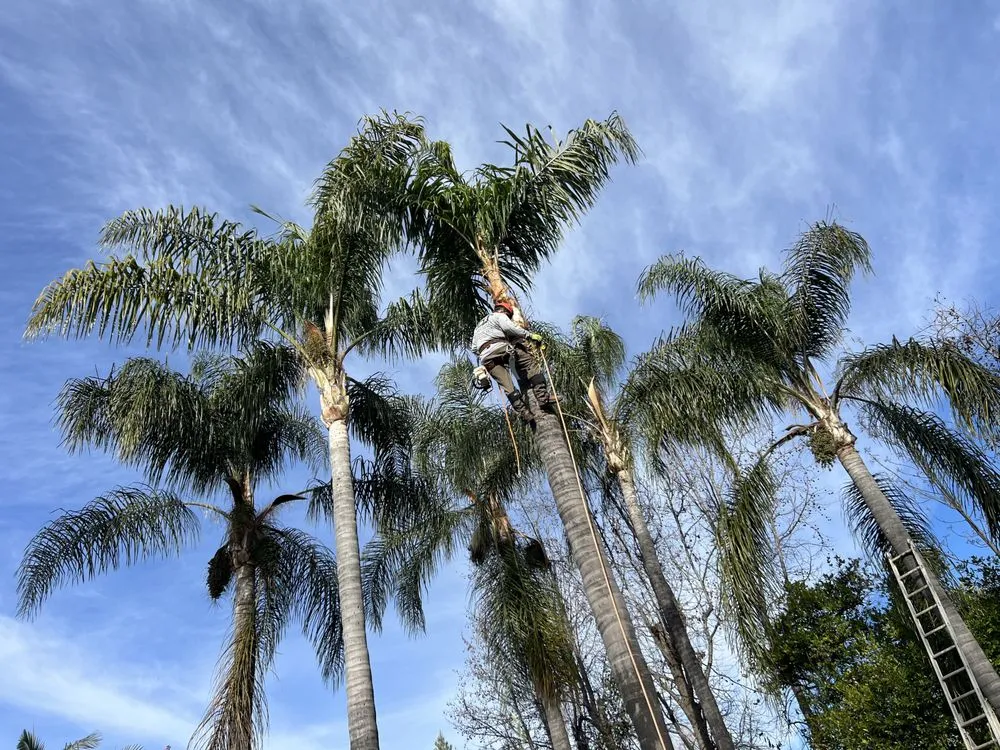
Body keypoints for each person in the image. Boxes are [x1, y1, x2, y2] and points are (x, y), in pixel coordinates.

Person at [471, 299, 553, 423]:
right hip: (501, 348)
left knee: (507, 386)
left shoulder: (478, 327)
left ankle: (525, 414)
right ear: (504, 312)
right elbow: (510, 328)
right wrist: (530, 336)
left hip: (486, 358)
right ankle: (542, 398)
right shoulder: (499, 316)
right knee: (529, 363)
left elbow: (474, 348)